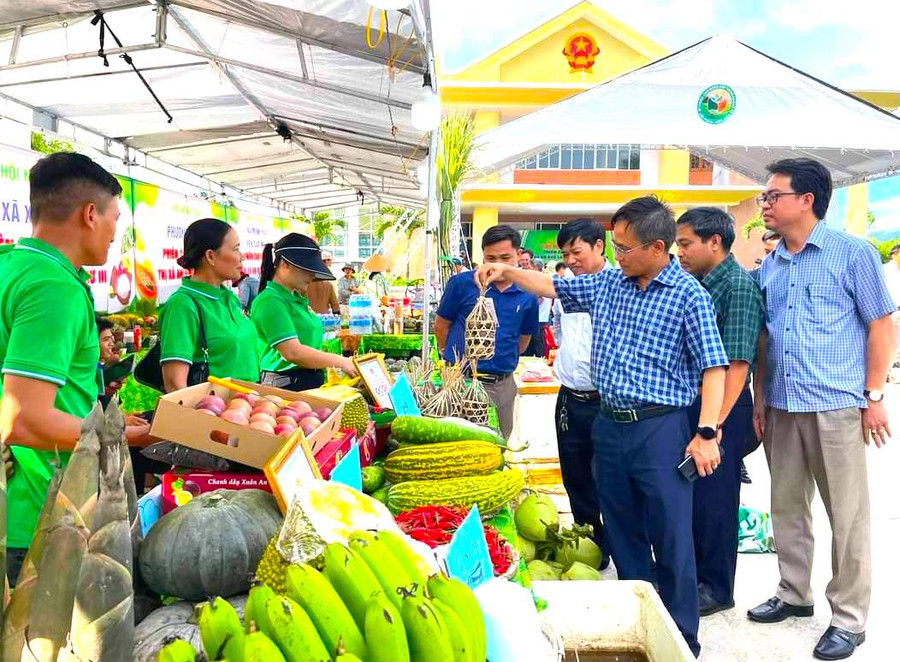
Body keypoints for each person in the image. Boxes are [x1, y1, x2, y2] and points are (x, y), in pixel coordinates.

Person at [476, 197, 729, 657]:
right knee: (621, 529)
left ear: (657, 247)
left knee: (671, 536)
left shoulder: (689, 294)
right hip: (610, 428)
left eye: (624, 247)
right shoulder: (610, 283)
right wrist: (509, 272)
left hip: (661, 430)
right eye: (613, 245)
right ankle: (637, 620)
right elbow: (552, 287)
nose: (615, 254)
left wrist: (707, 432)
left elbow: (715, 366)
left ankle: (681, 639)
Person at [748, 158, 895, 661]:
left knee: (847, 517)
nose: (764, 204)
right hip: (783, 406)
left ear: (806, 200)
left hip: (836, 405)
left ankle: (850, 619)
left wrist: (873, 396)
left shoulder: (851, 254)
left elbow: (881, 326)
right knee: (787, 507)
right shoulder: (772, 263)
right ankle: (794, 593)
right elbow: (765, 338)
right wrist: (760, 397)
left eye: (773, 195)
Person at [0, 152, 150, 585]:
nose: (113, 233)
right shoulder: (53, 287)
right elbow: (24, 418)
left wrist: (100, 415)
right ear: (89, 215)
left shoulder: (14, 267)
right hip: (44, 511)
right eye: (114, 219)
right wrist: (114, 435)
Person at [676, 207, 765, 617]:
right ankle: (694, 577)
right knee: (692, 497)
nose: (680, 252)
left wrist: (711, 428)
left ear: (715, 241)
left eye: (686, 243)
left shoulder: (737, 287)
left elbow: (738, 364)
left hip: (722, 407)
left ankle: (717, 586)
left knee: (715, 501)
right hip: (696, 402)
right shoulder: (694, 283)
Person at [435, 225, 538, 440]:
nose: (497, 265)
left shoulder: (528, 292)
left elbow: (524, 338)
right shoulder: (462, 284)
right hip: (461, 382)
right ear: (482, 256)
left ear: (518, 255)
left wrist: (501, 358)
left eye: (505, 258)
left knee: (498, 445)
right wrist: (449, 357)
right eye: (490, 258)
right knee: (457, 446)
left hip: (502, 385)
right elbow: (441, 326)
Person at [551, 218, 610, 566]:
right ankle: (591, 544)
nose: (571, 259)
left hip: (605, 400)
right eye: (565, 253)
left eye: (577, 251)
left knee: (610, 478)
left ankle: (621, 544)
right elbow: (561, 331)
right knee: (575, 474)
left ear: (599, 247)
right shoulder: (566, 289)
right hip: (570, 397)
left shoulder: (618, 286)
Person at [159, 218, 260, 393]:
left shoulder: (229, 298)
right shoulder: (182, 305)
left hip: (249, 408)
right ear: (210, 256)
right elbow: (175, 384)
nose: (242, 256)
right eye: (236, 249)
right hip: (215, 413)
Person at [251, 234, 357, 391]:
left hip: (306, 379)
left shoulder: (296, 298)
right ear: (285, 264)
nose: (312, 276)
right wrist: (341, 361)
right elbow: (292, 352)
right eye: (307, 269)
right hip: (286, 384)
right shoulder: (270, 301)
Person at [883, 243, 900, 380]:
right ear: (894, 255)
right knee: (890, 343)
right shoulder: (885, 270)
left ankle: (893, 369)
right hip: (891, 311)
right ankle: (885, 371)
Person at [306, 250, 340, 314]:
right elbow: (335, 306)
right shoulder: (328, 284)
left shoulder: (303, 284)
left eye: (328, 260)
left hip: (308, 317)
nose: (326, 262)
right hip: (324, 318)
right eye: (324, 260)